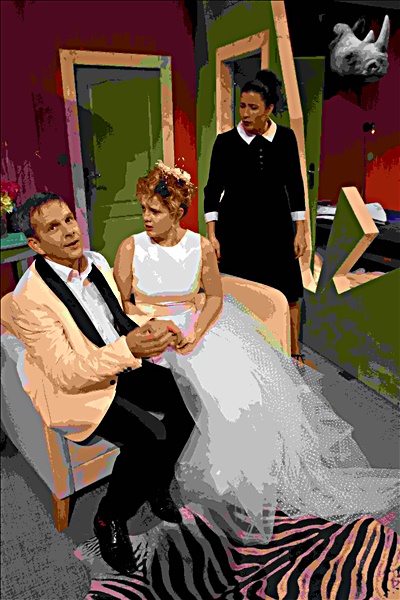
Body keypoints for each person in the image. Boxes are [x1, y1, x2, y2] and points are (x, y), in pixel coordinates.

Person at [114, 161, 399, 550]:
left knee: (244, 390)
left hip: (195, 326)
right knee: (195, 395)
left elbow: (214, 297)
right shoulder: (131, 247)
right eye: (144, 209)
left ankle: (245, 481)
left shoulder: (200, 246)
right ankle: (169, 484)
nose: (146, 218)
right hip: (149, 332)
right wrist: (152, 327)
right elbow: (122, 304)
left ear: (177, 211)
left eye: (155, 210)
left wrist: (195, 332)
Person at [8, 193, 194, 576]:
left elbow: (115, 318)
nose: (69, 231)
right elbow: (67, 372)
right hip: (80, 389)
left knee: (189, 398)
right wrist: (129, 349)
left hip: (117, 362)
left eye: (68, 219)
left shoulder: (96, 262)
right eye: (53, 227)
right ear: (35, 244)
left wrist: (152, 329)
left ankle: (156, 484)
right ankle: (109, 517)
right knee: (149, 437)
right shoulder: (29, 299)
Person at [204, 69, 307, 363]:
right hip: (237, 230)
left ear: (269, 109)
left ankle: (293, 353)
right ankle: (244, 352)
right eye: (242, 106)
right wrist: (212, 235)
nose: (245, 114)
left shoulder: (285, 139)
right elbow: (212, 190)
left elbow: (295, 185)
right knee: (241, 293)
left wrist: (300, 231)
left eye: (253, 107)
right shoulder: (225, 142)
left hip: (277, 228)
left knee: (288, 292)